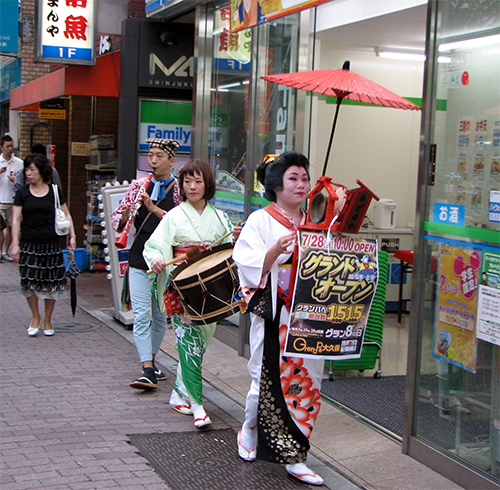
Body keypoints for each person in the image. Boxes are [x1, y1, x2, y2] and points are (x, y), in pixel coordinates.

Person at [232, 152, 325, 486]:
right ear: (275, 186)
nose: (301, 184)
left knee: (307, 382)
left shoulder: (315, 218)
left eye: (304, 178)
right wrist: (274, 251)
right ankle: (250, 427)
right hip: (277, 316)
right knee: (264, 380)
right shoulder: (261, 221)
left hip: (311, 318)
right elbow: (245, 261)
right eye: (293, 178)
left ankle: (295, 455)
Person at [144, 159, 242, 429]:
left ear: (207, 184)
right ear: (182, 185)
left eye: (198, 181)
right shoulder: (174, 216)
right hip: (183, 288)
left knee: (199, 344)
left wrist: (233, 236)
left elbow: (228, 250)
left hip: (210, 292)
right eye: (187, 181)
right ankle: (198, 405)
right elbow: (155, 245)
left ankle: (179, 393)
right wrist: (156, 259)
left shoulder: (220, 217)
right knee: (188, 343)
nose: (192, 186)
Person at [111, 138, 181, 391]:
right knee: (141, 315)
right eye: (150, 155)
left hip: (166, 263)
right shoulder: (138, 186)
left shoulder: (178, 190)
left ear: (171, 161)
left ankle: (150, 362)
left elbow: (181, 223)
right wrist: (128, 213)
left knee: (161, 317)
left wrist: (152, 208)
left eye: (159, 156)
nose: (153, 160)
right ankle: (147, 368)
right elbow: (117, 220)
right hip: (140, 258)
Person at [11, 154, 77, 337]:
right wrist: (15, 244)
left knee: (51, 283)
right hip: (29, 243)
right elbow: (16, 219)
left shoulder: (54, 191)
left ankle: (48, 320)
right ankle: (35, 316)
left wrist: (73, 236)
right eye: (26, 169)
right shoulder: (22, 193)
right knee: (28, 281)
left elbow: (67, 214)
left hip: (50, 243)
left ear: (41, 171)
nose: (28, 173)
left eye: (32, 169)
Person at [0, 134, 23, 262]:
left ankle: (4, 251)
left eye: (11, 146)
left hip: (13, 201)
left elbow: (23, 181)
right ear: (1, 147)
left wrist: (15, 180)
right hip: (0, 200)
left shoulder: (19, 163)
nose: (10, 149)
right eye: (7, 146)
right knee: (1, 229)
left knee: (10, 228)